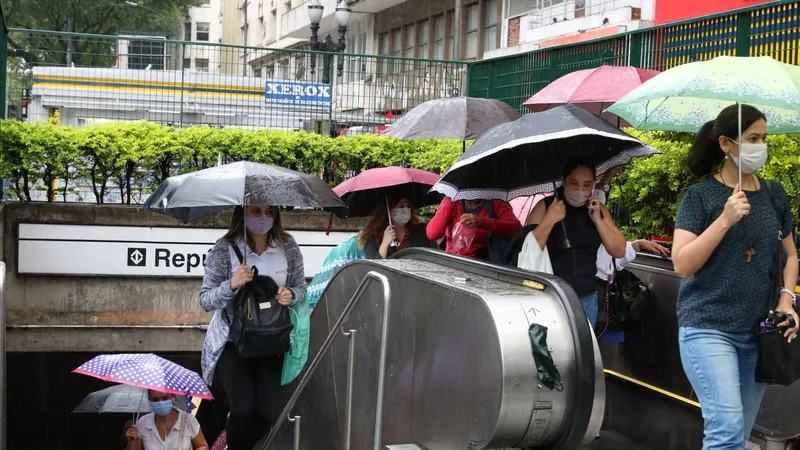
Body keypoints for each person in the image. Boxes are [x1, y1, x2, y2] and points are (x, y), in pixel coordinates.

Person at [671, 104, 799, 449]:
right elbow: (681, 264)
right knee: (726, 429)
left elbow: (790, 255)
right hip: (708, 327)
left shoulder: (774, 194)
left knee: (739, 435)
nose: (761, 145)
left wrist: (787, 300)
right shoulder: (700, 196)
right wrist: (725, 219)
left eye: (764, 138)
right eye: (752, 138)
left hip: (757, 332)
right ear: (727, 144)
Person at [198, 205, 307, 450]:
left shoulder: (287, 247)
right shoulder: (224, 249)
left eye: (269, 212)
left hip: (271, 340)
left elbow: (301, 288)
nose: (263, 217)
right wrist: (232, 284)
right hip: (232, 342)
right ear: (243, 214)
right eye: (255, 211)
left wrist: (291, 294)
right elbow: (205, 300)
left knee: (269, 412)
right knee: (243, 407)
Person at [525, 158, 627, 327]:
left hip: (586, 297)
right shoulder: (545, 206)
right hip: (550, 296)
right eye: (574, 183)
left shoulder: (597, 209)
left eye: (587, 185)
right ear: (564, 181)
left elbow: (619, 250)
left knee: (584, 351)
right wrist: (549, 220)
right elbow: (528, 250)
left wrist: (598, 221)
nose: (580, 190)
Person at [426, 197, 522, 261]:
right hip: (454, 261)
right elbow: (433, 233)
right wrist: (448, 203)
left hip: (486, 263)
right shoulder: (453, 200)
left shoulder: (496, 202)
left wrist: (483, 222)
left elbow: (516, 229)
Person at [125, 390, 209, 450]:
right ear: (150, 400)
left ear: (173, 397)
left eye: (165, 398)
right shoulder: (143, 423)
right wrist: (132, 440)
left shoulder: (187, 419)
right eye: (155, 400)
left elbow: (203, 446)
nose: (161, 403)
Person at [360, 196, 437, 259]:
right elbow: (373, 269)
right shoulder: (373, 239)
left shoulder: (422, 231)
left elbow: (436, 256)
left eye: (408, 206)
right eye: (400, 207)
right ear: (388, 210)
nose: (406, 210)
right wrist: (384, 244)